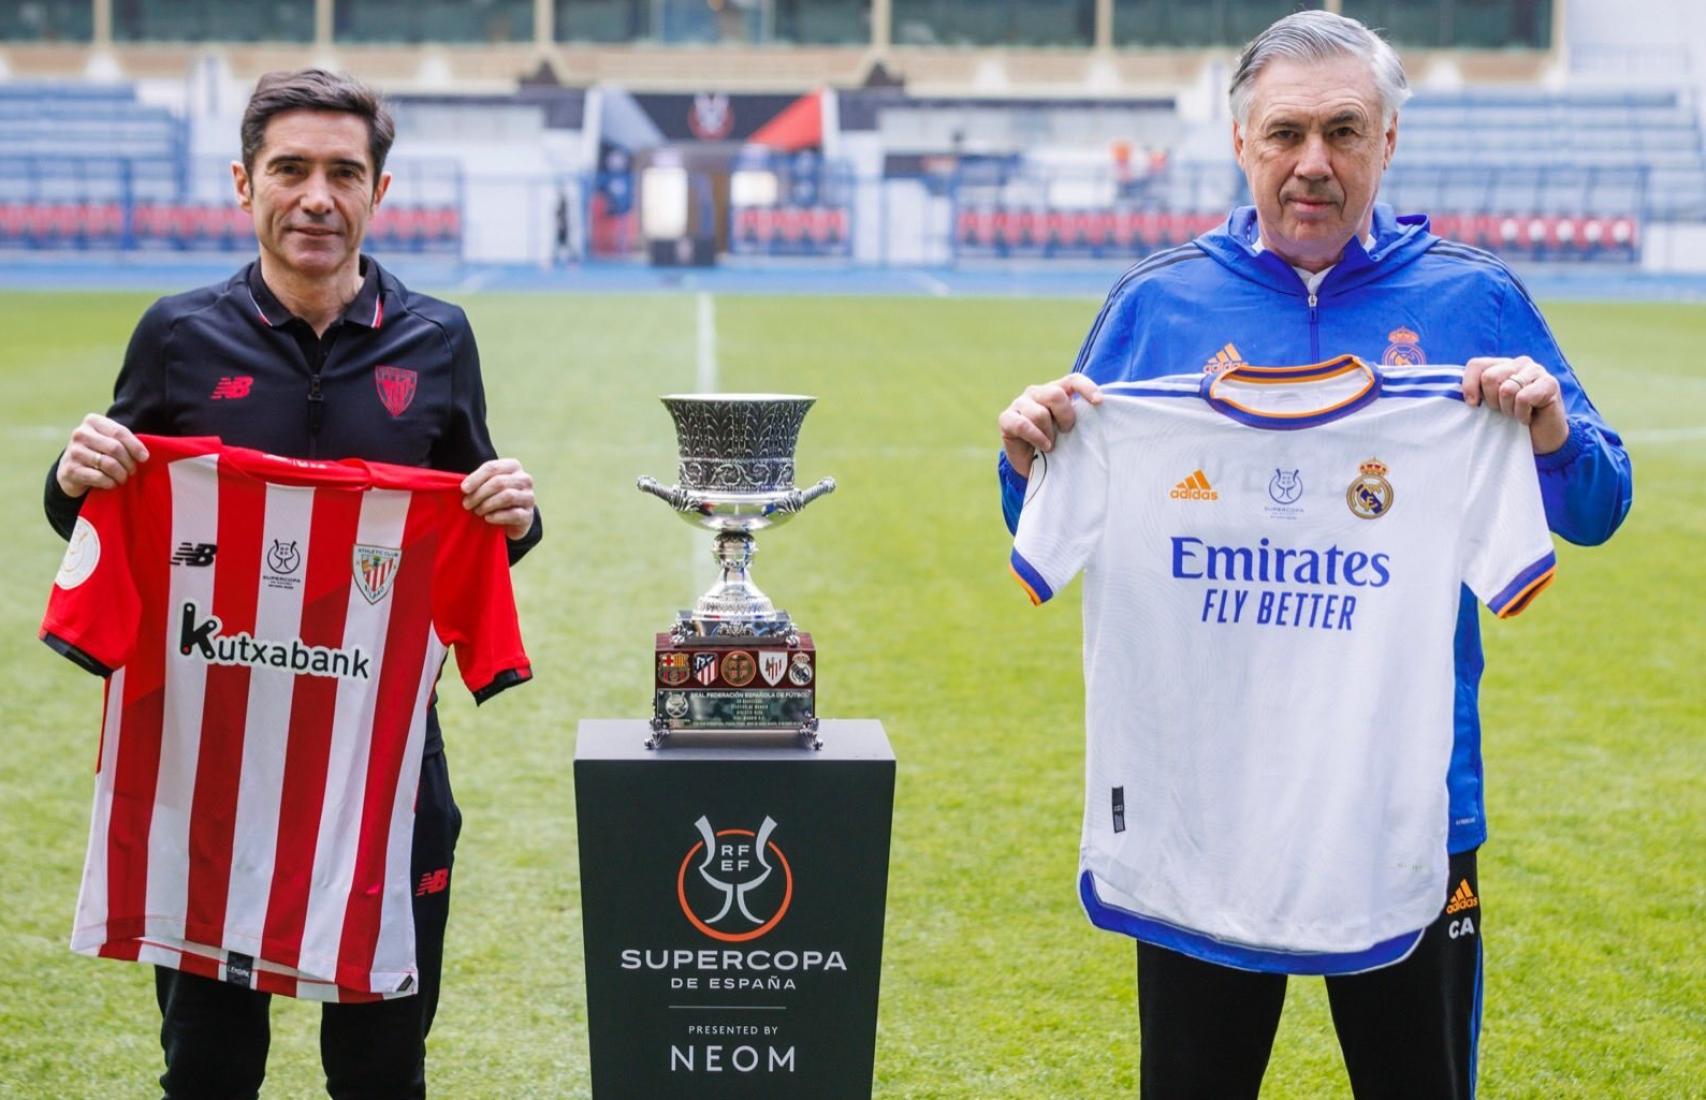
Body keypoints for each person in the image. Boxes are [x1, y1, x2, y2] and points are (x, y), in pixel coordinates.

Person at [995, 11, 1632, 1099]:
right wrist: (1025, 453)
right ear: (1239, 142)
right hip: (1204, 800)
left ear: (1387, 141)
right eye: (1284, 132)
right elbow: (1048, 515)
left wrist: (1545, 431)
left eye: (1343, 131)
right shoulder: (1156, 305)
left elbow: (1597, 504)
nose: (1312, 163)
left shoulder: (1469, 300)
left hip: (1408, 799)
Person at [44, 69, 540, 1099]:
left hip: (382, 751)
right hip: (209, 754)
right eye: (291, 169)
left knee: (379, 1065)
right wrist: (70, 476)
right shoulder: (178, 335)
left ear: (378, 192)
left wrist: (517, 513)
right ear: (243, 183)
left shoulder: (436, 337)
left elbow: (473, 530)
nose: (316, 195)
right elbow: (103, 513)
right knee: (210, 1066)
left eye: (342, 172)